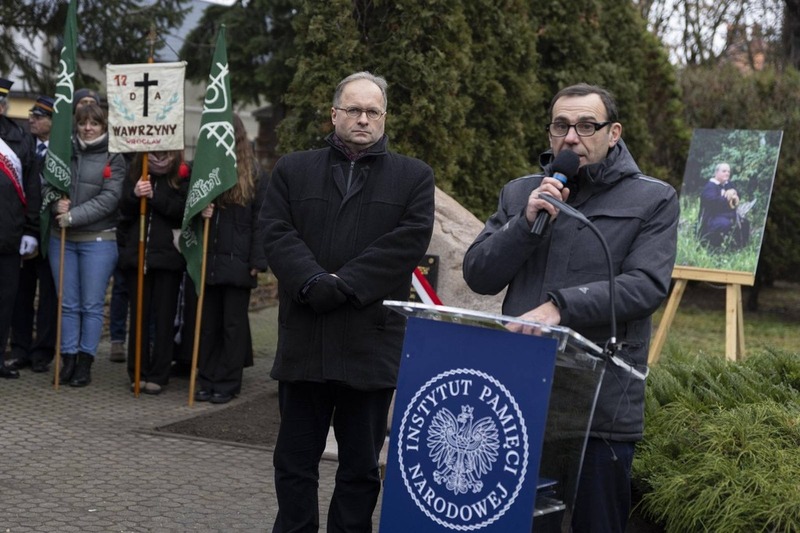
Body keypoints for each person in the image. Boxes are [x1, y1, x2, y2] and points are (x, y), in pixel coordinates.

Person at [463, 83, 679, 533]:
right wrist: (524, 224)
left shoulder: (653, 199)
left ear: (613, 132)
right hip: (518, 398)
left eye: (586, 125)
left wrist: (560, 308)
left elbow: (645, 286)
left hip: (601, 405)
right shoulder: (521, 192)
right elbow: (478, 275)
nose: (571, 137)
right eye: (561, 125)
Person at [261, 71, 435, 532]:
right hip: (306, 339)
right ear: (334, 114)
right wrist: (312, 280)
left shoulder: (413, 177)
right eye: (353, 110)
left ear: (384, 118)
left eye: (372, 111)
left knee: (359, 468)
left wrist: (343, 284)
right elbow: (276, 232)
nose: (363, 119)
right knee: (294, 462)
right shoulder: (293, 169)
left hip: (369, 344)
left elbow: (408, 242)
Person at [47, 103, 126, 387]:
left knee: (91, 305)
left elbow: (110, 198)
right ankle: (67, 357)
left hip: (98, 239)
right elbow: (48, 182)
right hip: (62, 240)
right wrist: (56, 202)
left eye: (94, 123)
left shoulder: (113, 157)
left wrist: (73, 216)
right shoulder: (64, 150)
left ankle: (85, 361)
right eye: (83, 123)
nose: (88, 128)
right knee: (67, 303)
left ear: (104, 127)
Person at [191, 113, 268, 405]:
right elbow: (189, 212)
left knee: (232, 325)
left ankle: (227, 381)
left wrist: (256, 261)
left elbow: (262, 221)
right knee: (208, 323)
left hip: (237, 262)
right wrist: (202, 210)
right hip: (209, 260)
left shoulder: (255, 175)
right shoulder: (206, 171)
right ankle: (207, 377)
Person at [116, 150, 188, 395]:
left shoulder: (180, 174)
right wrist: (135, 195)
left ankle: (159, 373)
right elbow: (123, 211)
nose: (159, 155)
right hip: (138, 258)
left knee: (164, 319)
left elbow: (182, 210)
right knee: (138, 317)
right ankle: (137, 370)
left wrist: (154, 197)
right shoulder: (137, 170)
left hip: (167, 259)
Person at [8, 96, 58, 373]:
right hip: (24, 231)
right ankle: (20, 348)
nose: (32, 120)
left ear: (53, 122)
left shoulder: (63, 151)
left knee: (49, 294)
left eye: (39, 117)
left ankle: (43, 351)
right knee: (21, 293)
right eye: (32, 115)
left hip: (51, 231)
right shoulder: (24, 146)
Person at [0, 77, 39, 380]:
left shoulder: (20, 138)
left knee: (5, 302)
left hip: (8, 236)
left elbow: (32, 188)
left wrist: (31, 230)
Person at [698, 162, 750, 250]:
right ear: (716, 173)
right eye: (724, 171)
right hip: (711, 218)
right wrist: (726, 197)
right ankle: (715, 249)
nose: (727, 173)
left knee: (744, 222)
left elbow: (738, 195)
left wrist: (733, 192)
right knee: (725, 224)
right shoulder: (710, 187)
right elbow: (712, 203)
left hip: (726, 214)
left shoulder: (728, 183)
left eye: (728, 171)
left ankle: (740, 247)